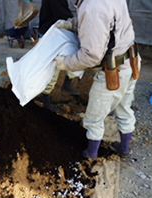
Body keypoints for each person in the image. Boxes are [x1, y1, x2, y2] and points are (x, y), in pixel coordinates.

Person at [54, 0, 141, 159]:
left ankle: (91, 153)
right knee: (124, 107)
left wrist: (66, 63)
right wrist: (71, 24)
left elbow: (92, 56)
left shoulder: (92, 6)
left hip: (113, 70)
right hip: (131, 60)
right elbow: (105, 24)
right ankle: (124, 147)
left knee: (94, 117)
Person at [39, 0, 80, 113]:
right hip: (52, 34)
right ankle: (46, 100)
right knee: (52, 68)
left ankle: (68, 82)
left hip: (53, 31)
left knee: (74, 54)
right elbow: (62, 14)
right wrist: (75, 22)